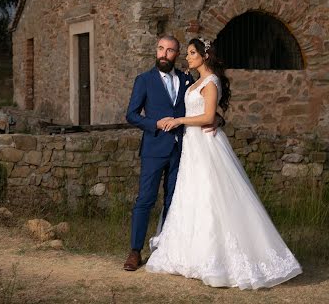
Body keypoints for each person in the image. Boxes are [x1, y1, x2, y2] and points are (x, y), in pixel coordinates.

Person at [146, 37, 302, 289]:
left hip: (207, 146)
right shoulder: (194, 81)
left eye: (192, 53)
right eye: (187, 53)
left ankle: (218, 259)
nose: (188, 57)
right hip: (193, 147)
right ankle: (190, 256)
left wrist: (180, 121)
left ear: (204, 56)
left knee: (212, 195)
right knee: (192, 196)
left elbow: (208, 115)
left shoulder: (211, 82)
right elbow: (208, 114)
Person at [123, 35, 220, 272]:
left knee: (174, 202)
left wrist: (218, 120)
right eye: (160, 49)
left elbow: (205, 107)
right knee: (145, 200)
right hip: (154, 149)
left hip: (183, 150)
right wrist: (155, 124)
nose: (164, 54)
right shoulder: (143, 80)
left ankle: (166, 249)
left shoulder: (188, 80)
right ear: (156, 51)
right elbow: (132, 115)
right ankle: (135, 251)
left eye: (170, 50)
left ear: (177, 54)